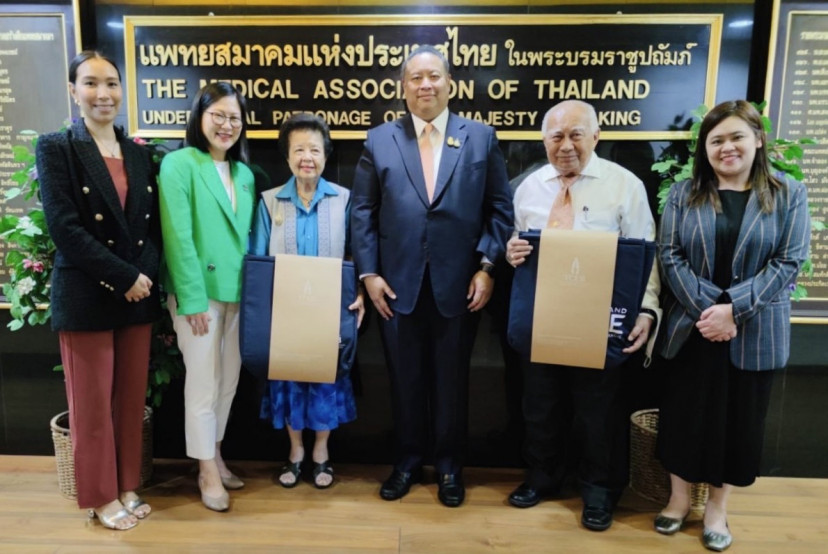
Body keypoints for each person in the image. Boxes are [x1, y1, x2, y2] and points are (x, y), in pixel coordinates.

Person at [351, 45, 513, 507]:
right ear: (403, 88)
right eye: (416, 78)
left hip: (460, 286)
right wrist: (369, 274)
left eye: (434, 76)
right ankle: (406, 462)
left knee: (451, 381)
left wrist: (487, 267)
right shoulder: (380, 139)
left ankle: (448, 467)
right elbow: (363, 212)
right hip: (394, 287)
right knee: (403, 380)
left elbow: (499, 209)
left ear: (450, 83)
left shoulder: (479, 137)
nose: (426, 85)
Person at [654, 100, 810, 551]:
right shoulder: (685, 193)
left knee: (738, 423)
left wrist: (732, 310)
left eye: (737, 136)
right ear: (705, 148)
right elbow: (670, 255)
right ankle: (678, 501)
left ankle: (718, 509)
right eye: (716, 139)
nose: (727, 147)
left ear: (758, 139)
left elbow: (789, 260)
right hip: (692, 328)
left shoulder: (788, 193)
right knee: (683, 418)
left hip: (754, 330)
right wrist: (710, 311)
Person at [505, 100, 660, 531]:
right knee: (539, 406)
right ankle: (542, 479)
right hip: (542, 316)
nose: (566, 145)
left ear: (596, 137)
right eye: (557, 136)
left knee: (598, 411)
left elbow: (648, 254)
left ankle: (598, 491)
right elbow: (518, 246)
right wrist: (511, 251)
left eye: (577, 134)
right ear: (544, 141)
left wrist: (647, 309)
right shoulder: (528, 188)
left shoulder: (624, 185)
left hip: (601, 318)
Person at [37, 50, 161, 530]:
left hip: (136, 293)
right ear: (74, 90)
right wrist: (124, 276)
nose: (102, 93)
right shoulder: (57, 147)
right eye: (90, 83)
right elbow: (65, 228)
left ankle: (127, 485)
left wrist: (142, 277)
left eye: (111, 83)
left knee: (129, 401)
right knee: (90, 405)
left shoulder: (135, 151)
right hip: (88, 292)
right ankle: (101, 496)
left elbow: (149, 228)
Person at [249, 113, 364, 489]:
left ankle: (321, 452)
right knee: (289, 381)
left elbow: (356, 255)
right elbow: (259, 260)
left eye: (314, 149)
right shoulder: (269, 203)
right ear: (287, 157)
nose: (306, 157)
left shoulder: (344, 199)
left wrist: (359, 293)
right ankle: (296, 450)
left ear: (326, 156)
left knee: (326, 380)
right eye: (298, 149)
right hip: (285, 312)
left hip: (329, 311)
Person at [158, 82, 255, 512]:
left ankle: (215, 451)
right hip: (198, 295)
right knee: (202, 383)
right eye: (218, 115)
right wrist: (192, 298)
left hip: (239, 293)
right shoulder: (179, 164)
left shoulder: (245, 173)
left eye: (234, 118)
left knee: (228, 381)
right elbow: (178, 237)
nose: (226, 125)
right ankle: (205, 469)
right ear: (200, 116)